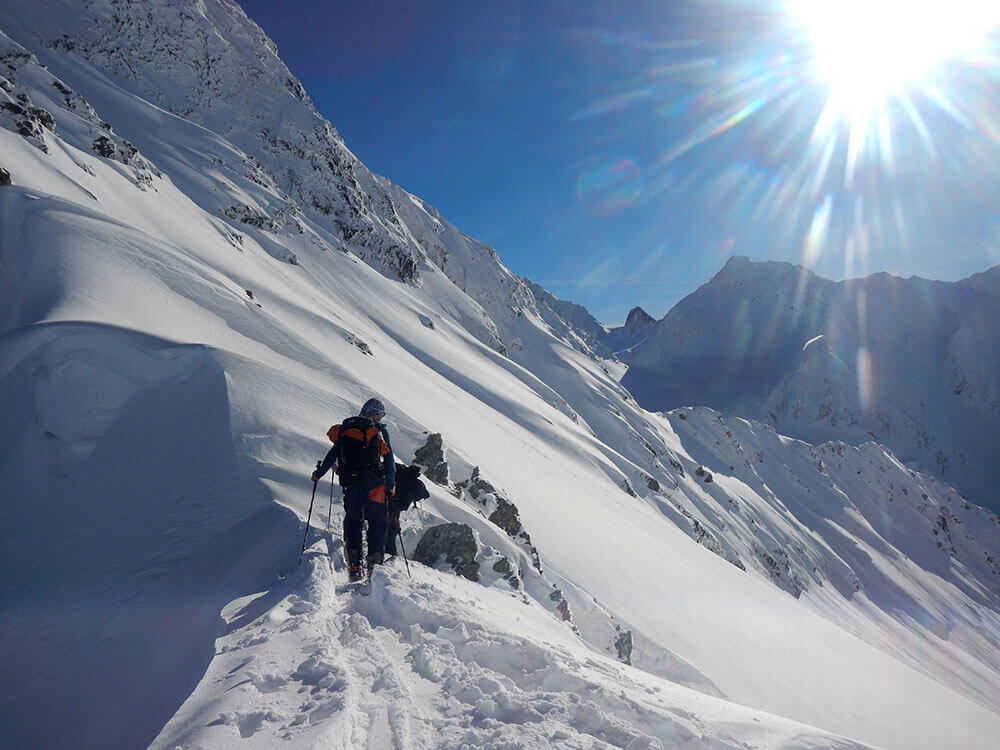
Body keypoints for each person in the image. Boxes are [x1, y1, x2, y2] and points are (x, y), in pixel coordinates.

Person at [312, 398, 396, 581]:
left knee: (353, 522)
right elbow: (389, 459)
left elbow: (332, 454)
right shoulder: (379, 431)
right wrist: (390, 485)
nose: (381, 418)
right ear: (375, 414)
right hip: (375, 487)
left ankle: (354, 566)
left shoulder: (346, 430)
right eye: (381, 414)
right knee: (378, 524)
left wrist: (319, 473)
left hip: (351, 486)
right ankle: (375, 566)